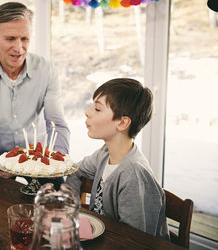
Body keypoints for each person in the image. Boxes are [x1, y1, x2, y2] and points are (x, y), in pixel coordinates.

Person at [0, 2, 70, 185]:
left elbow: (57, 125)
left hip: (39, 160)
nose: (19, 48)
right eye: (11, 39)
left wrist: (56, 161)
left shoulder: (47, 71)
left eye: (25, 39)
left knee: (56, 206)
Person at [65, 78, 170, 240]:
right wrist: (70, 203)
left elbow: (136, 241)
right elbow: (76, 170)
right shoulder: (105, 153)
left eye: (97, 109)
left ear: (122, 122)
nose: (87, 112)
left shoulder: (133, 175)